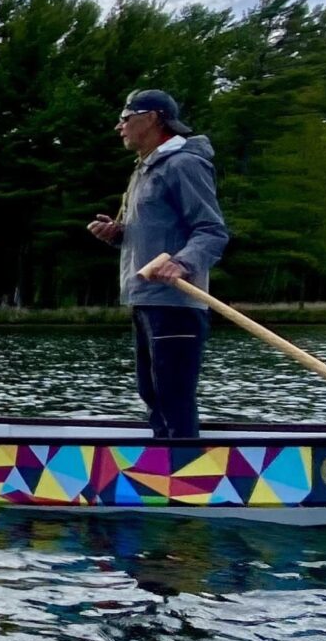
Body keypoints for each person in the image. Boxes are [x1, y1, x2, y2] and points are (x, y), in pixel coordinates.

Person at [86, 88, 228, 439]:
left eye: (125, 117)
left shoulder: (184, 164)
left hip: (176, 302)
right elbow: (159, 230)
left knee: (173, 397)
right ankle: (162, 468)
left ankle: (184, 477)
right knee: (151, 394)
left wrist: (182, 263)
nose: (119, 126)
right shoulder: (146, 169)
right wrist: (119, 234)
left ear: (152, 118)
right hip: (145, 298)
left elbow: (212, 231)